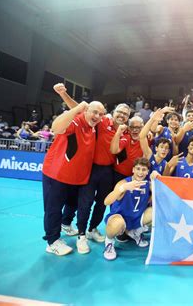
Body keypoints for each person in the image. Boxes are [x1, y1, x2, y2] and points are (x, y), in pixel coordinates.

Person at [53, 83, 131, 254]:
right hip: (91, 169)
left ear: (128, 118)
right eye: (120, 112)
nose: (122, 115)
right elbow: (81, 110)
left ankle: (92, 229)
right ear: (114, 112)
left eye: (126, 114)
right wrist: (63, 94)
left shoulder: (125, 134)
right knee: (85, 202)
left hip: (108, 171)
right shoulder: (102, 121)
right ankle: (81, 235)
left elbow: (117, 149)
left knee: (102, 203)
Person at [42, 100, 105, 256]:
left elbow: (90, 112)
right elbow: (55, 127)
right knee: (53, 209)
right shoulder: (74, 121)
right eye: (94, 112)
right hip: (57, 174)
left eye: (100, 114)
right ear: (85, 111)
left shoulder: (94, 127)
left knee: (72, 204)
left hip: (77, 178)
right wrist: (77, 108)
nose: (97, 116)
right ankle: (52, 241)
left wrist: (64, 96)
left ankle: (66, 224)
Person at [103, 158, 152, 261]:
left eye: (144, 170)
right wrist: (123, 188)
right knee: (117, 223)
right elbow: (106, 202)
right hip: (120, 219)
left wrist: (157, 178)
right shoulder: (123, 183)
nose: (140, 172)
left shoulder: (148, 184)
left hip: (136, 218)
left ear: (147, 172)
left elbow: (157, 196)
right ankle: (109, 241)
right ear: (133, 170)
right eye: (138, 169)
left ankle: (135, 232)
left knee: (155, 213)